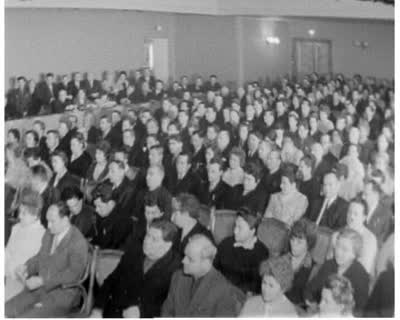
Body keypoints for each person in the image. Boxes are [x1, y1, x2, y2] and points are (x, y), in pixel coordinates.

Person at [5, 202, 89, 317]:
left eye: (52, 221)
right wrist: (26, 267)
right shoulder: (49, 233)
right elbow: (40, 256)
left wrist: (43, 280)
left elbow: (73, 274)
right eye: (47, 221)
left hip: (63, 294)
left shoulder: (78, 242)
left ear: (65, 220)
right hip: (40, 289)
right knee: (6, 310)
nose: (48, 225)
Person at [91, 219, 181, 318]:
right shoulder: (133, 253)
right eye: (147, 235)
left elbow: (170, 307)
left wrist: (142, 313)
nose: (147, 241)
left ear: (168, 245)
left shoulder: (176, 268)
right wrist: (97, 309)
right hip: (113, 312)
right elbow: (110, 282)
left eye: (154, 239)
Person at [161, 234, 245, 317]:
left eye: (190, 259)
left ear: (206, 262)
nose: (183, 261)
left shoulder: (224, 290)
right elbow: (167, 311)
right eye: (185, 255)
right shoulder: (178, 277)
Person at [304, 228, 369, 316]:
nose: (338, 252)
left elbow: (359, 311)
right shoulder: (329, 264)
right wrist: (313, 304)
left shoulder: (361, 276)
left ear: (355, 254)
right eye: (337, 245)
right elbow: (309, 290)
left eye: (344, 249)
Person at [214, 207, 269, 295]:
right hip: (218, 289)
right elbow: (214, 269)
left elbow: (256, 287)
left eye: (240, 228)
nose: (235, 231)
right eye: (235, 226)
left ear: (252, 231)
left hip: (240, 297)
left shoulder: (261, 253)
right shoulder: (226, 243)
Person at [5, 189, 46, 301]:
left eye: (24, 213)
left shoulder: (41, 235)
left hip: (22, 284)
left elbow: (27, 268)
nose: (20, 216)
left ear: (35, 216)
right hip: (8, 275)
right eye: (19, 212)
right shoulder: (16, 228)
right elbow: (8, 252)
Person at [327, 200, 377, 275]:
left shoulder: (370, 239)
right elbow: (328, 261)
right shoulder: (337, 234)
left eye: (355, 214)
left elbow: (364, 269)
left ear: (364, 217)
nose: (351, 216)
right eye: (349, 212)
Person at [283, 219, 317, 307]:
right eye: (292, 239)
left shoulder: (313, 268)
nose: (294, 244)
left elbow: (307, 302)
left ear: (309, 244)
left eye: (299, 242)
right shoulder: (282, 257)